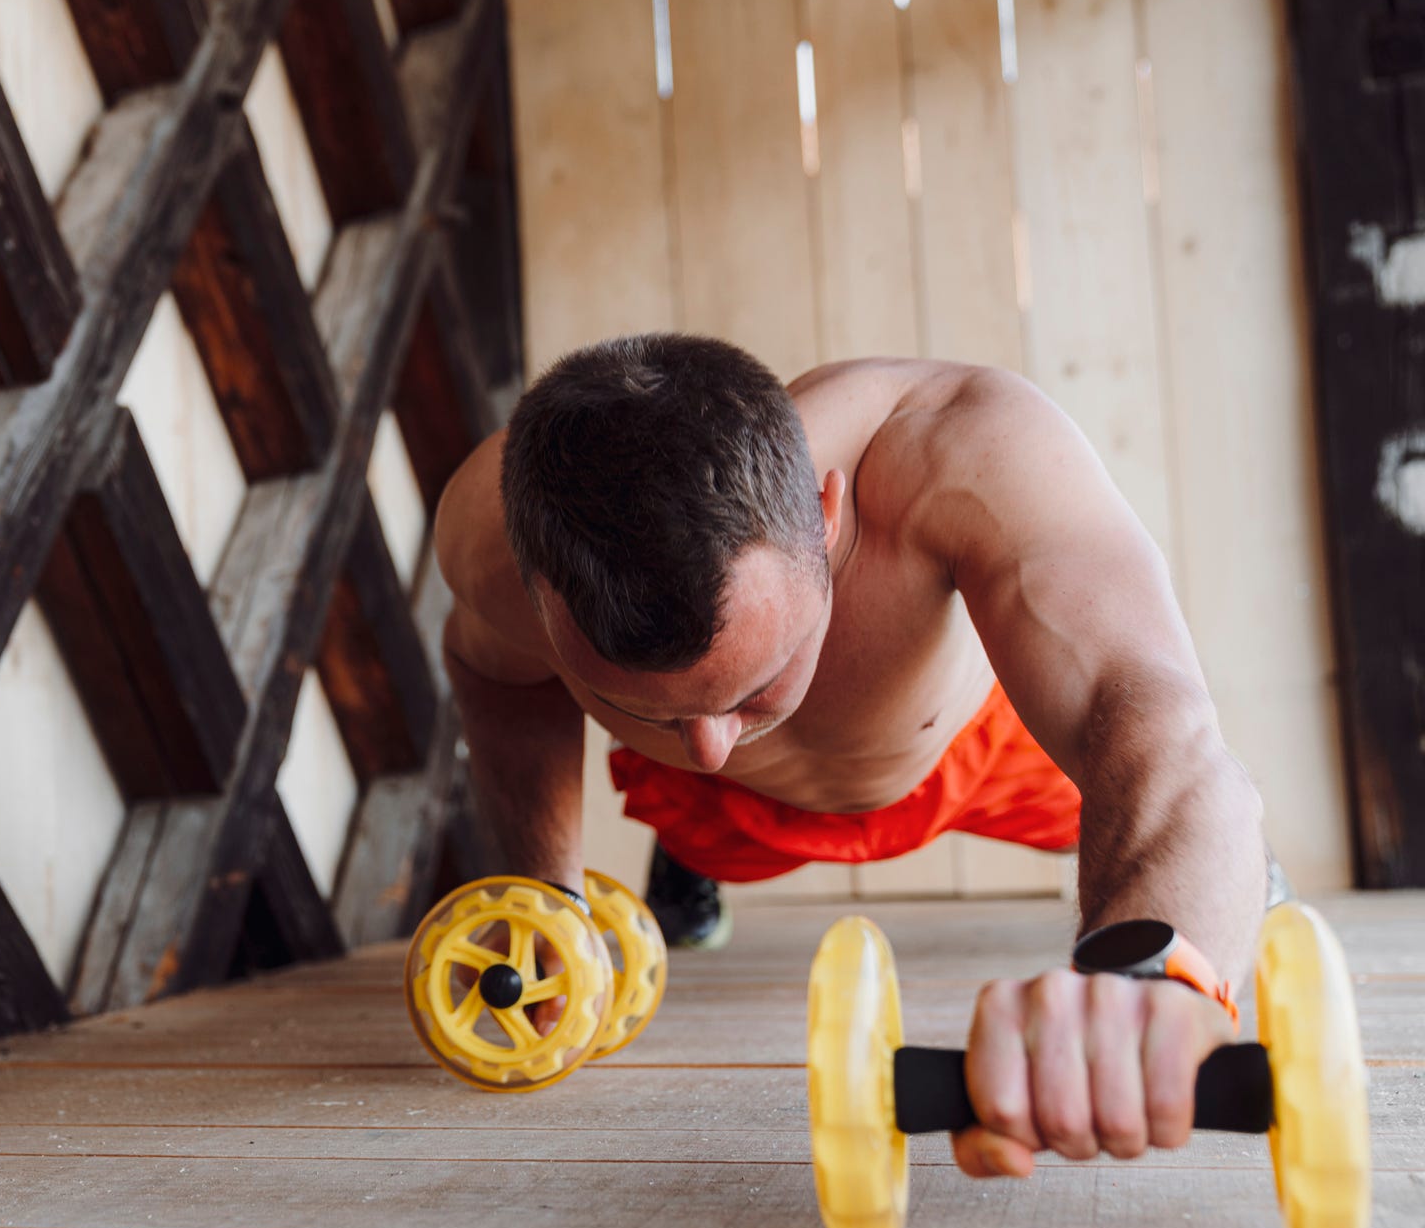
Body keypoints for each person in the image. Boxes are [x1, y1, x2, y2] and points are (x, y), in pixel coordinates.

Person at [432, 333, 1272, 1178]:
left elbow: (1162, 733)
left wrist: (1150, 974)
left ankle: (1220, 893)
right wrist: (547, 888)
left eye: (753, 687)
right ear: (535, 594)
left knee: (1150, 837)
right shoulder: (487, 542)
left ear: (826, 517)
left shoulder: (959, 449)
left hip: (962, 756)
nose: (713, 744)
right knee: (698, 803)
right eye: (629, 704)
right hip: (729, 818)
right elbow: (495, 673)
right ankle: (689, 850)